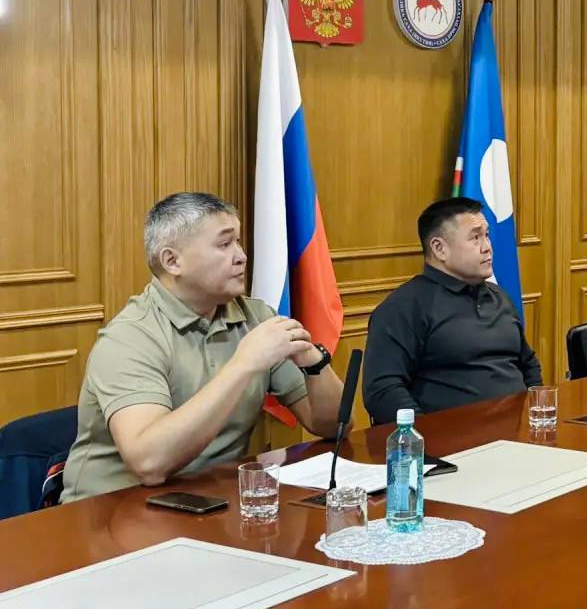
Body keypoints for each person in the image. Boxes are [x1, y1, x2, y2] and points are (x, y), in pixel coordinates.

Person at [61, 193, 343, 502]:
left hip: (211, 501)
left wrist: (314, 363)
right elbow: (150, 465)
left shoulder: (256, 317)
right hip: (111, 510)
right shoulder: (129, 338)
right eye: (224, 244)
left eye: (238, 241)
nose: (241, 256)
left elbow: (332, 425)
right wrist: (243, 364)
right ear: (172, 261)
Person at [363, 197, 542, 424]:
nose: (487, 247)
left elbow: (528, 364)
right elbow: (383, 390)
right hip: (450, 439)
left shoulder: (500, 297)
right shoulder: (404, 307)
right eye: (475, 237)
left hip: (518, 432)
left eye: (487, 235)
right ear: (439, 248)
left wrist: (535, 414)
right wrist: (426, 435)